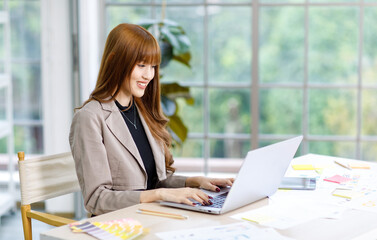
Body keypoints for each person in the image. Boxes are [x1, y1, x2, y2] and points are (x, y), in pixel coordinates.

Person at [69, 23, 234, 216]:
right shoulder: (89, 118)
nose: (149, 75)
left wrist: (194, 181)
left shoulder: (142, 109)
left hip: (150, 216)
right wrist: (159, 195)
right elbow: (97, 200)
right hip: (120, 224)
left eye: (153, 66)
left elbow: (154, 182)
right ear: (115, 61)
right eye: (141, 65)